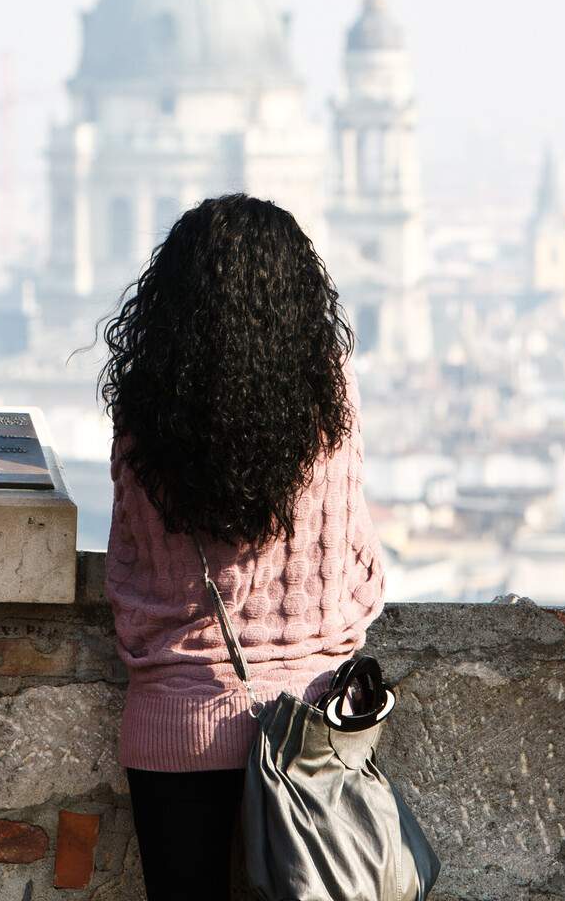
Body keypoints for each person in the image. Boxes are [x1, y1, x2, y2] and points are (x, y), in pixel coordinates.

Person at [100, 194, 387, 901]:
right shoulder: (332, 402)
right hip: (311, 731)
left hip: (175, 720)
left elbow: (128, 566)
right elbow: (360, 568)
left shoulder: (146, 408)